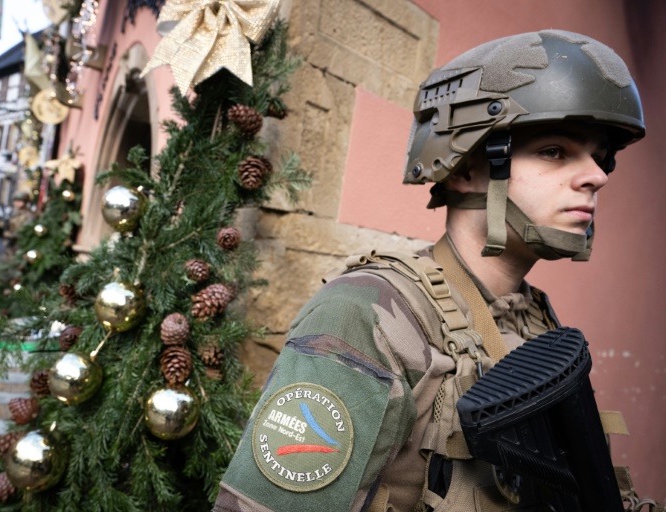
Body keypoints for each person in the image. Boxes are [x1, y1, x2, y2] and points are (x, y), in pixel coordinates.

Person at [214, 30, 650, 511]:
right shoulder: (364, 313)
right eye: (554, 151)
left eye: (600, 157)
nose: (597, 175)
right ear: (464, 170)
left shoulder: (533, 317)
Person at [3, 190, 34, 257]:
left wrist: (12, 235)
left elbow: (27, 230)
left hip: (21, 242)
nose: (17, 203)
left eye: (20, 201)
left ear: (25, 202)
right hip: (10, 242)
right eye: (15, 201)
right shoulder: (13, 212)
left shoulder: (28, 215)